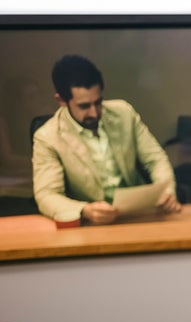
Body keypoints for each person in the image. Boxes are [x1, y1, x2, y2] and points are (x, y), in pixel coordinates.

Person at [32, 54, 180, 224]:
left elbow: (155, 159)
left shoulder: (124, 113)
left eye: (98, 102)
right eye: (84, 106)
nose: (94, 113)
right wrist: (84, 210)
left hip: (138, 214)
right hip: (93, 223)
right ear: (61, 101)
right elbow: (47, 195)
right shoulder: (47, 137)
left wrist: (167, 191)